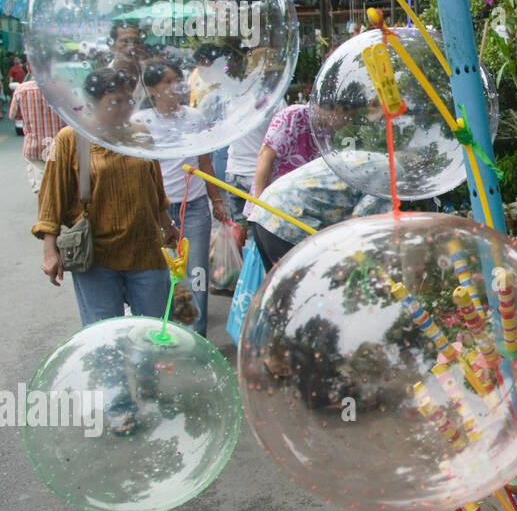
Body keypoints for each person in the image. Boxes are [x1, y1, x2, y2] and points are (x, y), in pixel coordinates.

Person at [34, 69, 178, 327]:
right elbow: (51, 197)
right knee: (103, 336)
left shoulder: (140, 134)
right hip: (97, 257)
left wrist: (166, 224)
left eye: (128, 100)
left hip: (146, 250)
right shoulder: (70, 139)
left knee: (154, 332)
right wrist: (49, 251)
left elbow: (154, 185)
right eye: (115, 101)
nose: (124, 108)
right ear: (92, 103)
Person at [135, 60, 231, 336]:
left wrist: (217, 201)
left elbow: (205, 163)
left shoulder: (194, 117)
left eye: (177, 81)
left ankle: (195, 337)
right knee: (160, 276)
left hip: (195, 209)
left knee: (196, 276)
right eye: (167, 82)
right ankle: (165, 333)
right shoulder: (141, 123)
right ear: (152, 88)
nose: (174, 88)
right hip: (156, 212)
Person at [245, 156, 385, 271]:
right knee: (300, 292)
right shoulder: (391, 174)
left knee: (279, 293)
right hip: (289, 222)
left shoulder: (371, 158)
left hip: (267, 209)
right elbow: (357, 224)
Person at [252, 102, 319, 204]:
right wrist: (259, 205)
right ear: (339, 109)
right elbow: (264, 156)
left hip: (300, 201)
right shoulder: (293, 115)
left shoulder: (327, 128)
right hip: (274, 200)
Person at [8, 78, 65, 194]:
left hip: (35, 148)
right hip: (60, 146)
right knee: (61, 184)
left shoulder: (21, 89)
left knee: (42, 189)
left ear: (29, 68)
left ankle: (45, 200)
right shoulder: (63, 88)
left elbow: (12, 115)